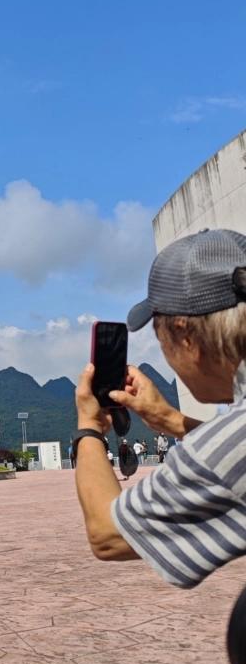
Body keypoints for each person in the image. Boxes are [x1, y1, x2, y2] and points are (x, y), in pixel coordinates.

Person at [73, 228, 246, 597]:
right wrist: (170, 421)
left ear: (185, 335)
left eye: (160, 335)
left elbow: (108, 534)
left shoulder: (228, 445)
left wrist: (88, 427)